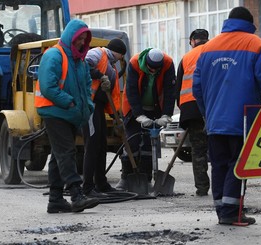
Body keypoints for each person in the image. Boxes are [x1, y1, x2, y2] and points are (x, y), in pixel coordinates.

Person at [192, 6, 261, 226]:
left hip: (215, 122)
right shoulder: (255, 44)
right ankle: (231, 213)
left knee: (219, 166)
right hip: (241, 121)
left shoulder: (207, 48)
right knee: (238, 165)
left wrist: (208, 114)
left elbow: (197, 88)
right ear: (250, 24)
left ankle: (221, 211)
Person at [35, 19, 100, 213]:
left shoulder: (79, 60)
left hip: (70, 113)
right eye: (79, 38)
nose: (81, 42)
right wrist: (69, 102)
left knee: (58, 155)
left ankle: (55, 200)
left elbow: (87, 85)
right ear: (70, 37)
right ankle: (76, 194)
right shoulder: (54, 55)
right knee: (67, 152)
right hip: (55, 112)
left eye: (84, 39)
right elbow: (48, 86)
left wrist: (86, 104)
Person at [115, 48, 176, 190]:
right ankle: (126, 177)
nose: (153, 71)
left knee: (149, 145)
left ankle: (146, 179)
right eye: (150, 68)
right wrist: (138, 115)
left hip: (155, 108)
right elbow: (131, 91)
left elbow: (170, 91)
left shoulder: (167, 63)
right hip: (133, 109)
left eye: (156, 69)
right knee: (132, 142)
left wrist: (166, 114)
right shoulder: (135, 63)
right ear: (146, 63)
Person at [82, 38, 127, 197]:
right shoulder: (97, 53)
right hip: (89, 105)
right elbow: (83, 66)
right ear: (117, 51)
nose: (121, 58)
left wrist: (116, 115)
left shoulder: (112, 66)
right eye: (121, 55)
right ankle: (87, 187)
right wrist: (100, 76)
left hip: (99, 107)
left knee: (101, 145)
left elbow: (112, 95)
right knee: (92, 144)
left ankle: (101, 183)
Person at [176, 29, 210, 196]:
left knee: (198, 150)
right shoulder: (214, 51)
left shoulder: (186, 58)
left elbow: (178, 89)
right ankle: (223, 186)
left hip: (191, 109)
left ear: (192, 41)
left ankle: (202, 188)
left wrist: (184, 111)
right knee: (219, 148)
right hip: (213, 107)